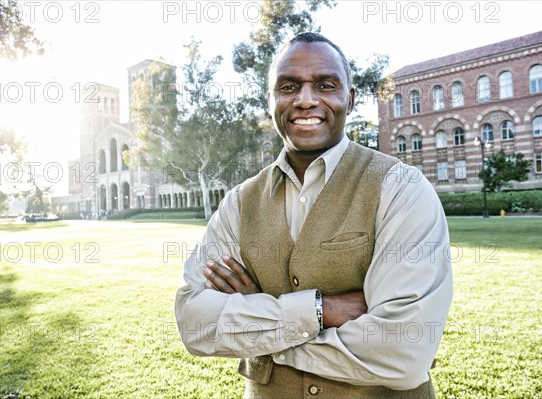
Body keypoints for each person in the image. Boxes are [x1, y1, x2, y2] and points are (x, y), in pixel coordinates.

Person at [175, 32, 453, 398]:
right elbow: (195, 323)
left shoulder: (401, 187)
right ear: (270, 100)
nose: (306, 100)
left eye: (325, 84)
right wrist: (323, 310)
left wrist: (262, 330)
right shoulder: (239, 203)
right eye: (288, 86)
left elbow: (403, 351)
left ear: (350, 99)